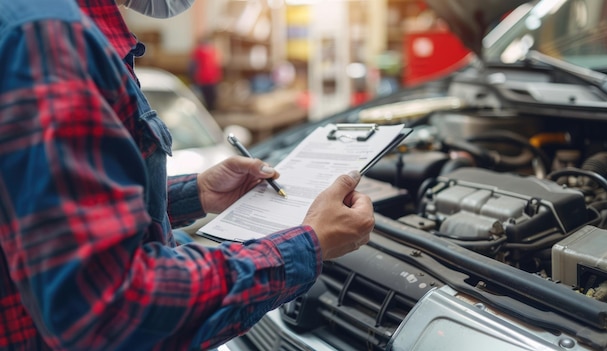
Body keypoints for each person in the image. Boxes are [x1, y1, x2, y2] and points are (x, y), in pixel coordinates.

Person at [0, 0, 374, 350]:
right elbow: (112, 310)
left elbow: (51, 208)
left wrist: (194, 193)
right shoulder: (44, 37)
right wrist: (308, 245)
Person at [190, 35, 222, 111]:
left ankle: (208, 110)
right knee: (212, 97)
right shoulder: (213, 51)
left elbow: (193, 65)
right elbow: (217, 64)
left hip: (202, 78)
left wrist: (192, 76)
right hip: (212, 78)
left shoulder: (197, 51)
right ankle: (212, 109)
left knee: (205, 97)